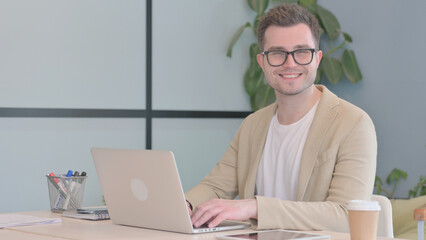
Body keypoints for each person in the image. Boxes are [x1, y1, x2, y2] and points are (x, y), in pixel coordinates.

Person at [185, 4, 377, 232]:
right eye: (277, 53)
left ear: (317, 58)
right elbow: (215, 187)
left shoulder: (354, 123)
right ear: (262, 62)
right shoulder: (253, 125)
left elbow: (345, 216)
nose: (290, 63)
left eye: (302, 51)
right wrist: (185, 205)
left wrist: (256, 207)